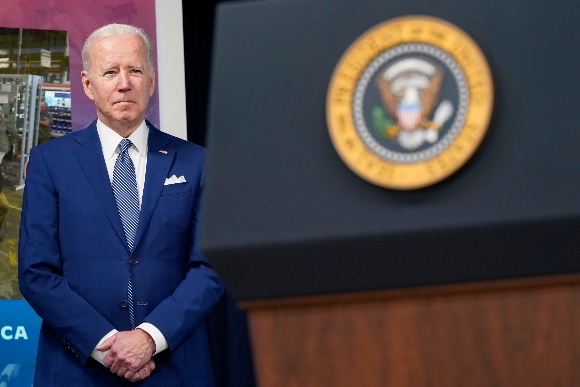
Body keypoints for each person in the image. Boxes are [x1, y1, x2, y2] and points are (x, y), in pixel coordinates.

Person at [18, 24, 224, 386]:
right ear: (87, 84)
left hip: (174, 367)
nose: (124, 83)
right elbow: (36, 272)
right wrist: (107, 346)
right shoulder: (50, 162)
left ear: (152, 81)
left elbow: (211, 267)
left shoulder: (197, 162)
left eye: (135, 70)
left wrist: (149, 338)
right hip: (77, 368)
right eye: (110, 71)